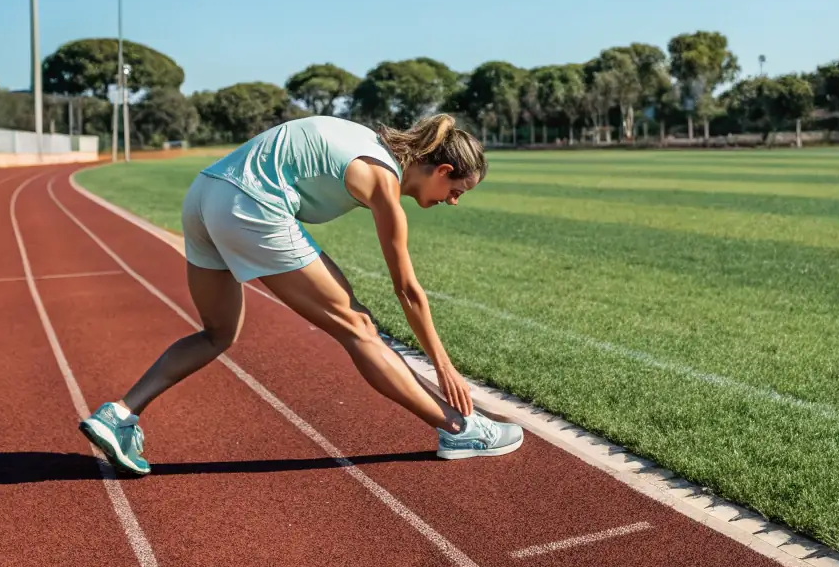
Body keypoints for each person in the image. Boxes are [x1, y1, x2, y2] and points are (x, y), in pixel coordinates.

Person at [79, 113, 523, 474]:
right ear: (442, 170)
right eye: (455, 191)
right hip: (251, 204)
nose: (453, 201)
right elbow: (406, 289)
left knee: (217, 333)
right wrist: (444, 366)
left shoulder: (364, 139)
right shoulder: (383, 179)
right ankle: (459, 429)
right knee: (359, 325)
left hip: (203, 196)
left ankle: (119, 415)